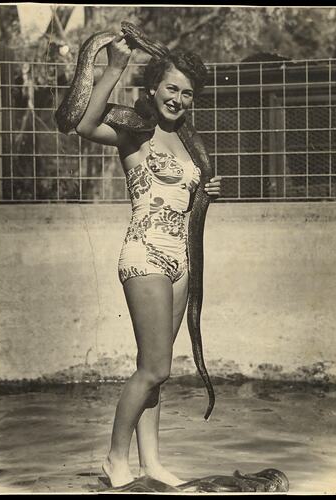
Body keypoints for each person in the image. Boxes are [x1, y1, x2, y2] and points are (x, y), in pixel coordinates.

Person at [75, 32, 222, 488]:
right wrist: (114, 66)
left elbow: (182, 195)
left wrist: (204, 193)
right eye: (171, 88)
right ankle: (115, 458)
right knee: (156, 367)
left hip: (180, 261)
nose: (177, 98)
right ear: (155, 88)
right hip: (145, 252)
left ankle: (151, 464)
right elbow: (82, 124)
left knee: (155, 369)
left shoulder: (189, 142)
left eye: (186, 93)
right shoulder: (133, 130)